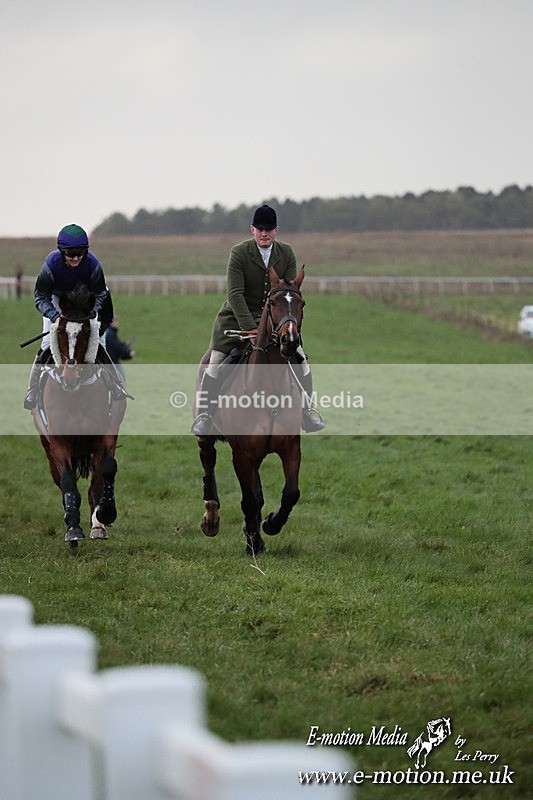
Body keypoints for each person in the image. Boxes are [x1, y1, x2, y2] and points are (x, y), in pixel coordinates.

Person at [191, 204, 325, 436]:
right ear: (252, 229)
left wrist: (284, 322)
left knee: (301, 360)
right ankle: (205, 415)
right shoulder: (239, 253)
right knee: (215, 363)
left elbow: (288, 290)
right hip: (237, 318)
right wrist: (250, 328)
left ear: (276, 230)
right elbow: (235, 294)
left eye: (269, 229)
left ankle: (308, 411)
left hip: (276, 319)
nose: (264, 233)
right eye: (260, 229)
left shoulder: (286, 252)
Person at [23, 223, 124, 409]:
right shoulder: (51, 265)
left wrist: (92, 312)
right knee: (46, 343)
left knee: (99, 343)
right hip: (57, 300)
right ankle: (33, 389)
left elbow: (101, 294)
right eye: (71, 253)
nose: (76, 257)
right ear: (61, 252)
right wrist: (54, 315)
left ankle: (116, 385)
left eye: (81, 253)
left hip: (86, 301)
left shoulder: (93, 264)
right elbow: (41, 296)